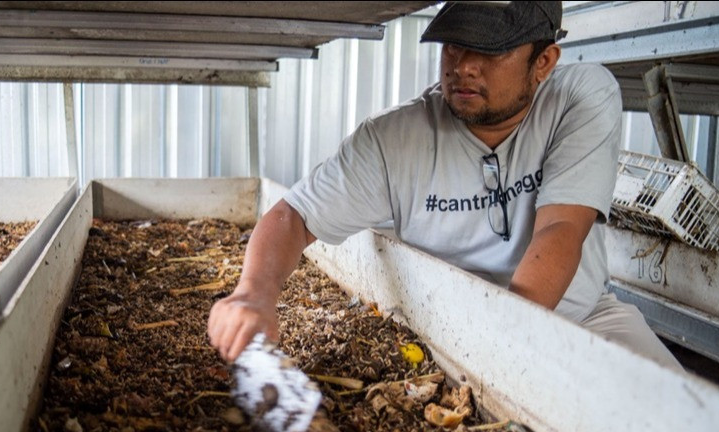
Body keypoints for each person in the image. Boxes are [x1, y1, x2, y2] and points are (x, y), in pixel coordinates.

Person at [207, 1, 682, 369]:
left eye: (491, 49)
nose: (464, 66)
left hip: (582, 318)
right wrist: (253, 292)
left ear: (544, 62)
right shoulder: (394, 139)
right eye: (454, 44)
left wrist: (509, 353)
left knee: (682, 412)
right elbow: (294, 217)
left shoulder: (580, 97)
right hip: (447, 337)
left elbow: (561, 229)